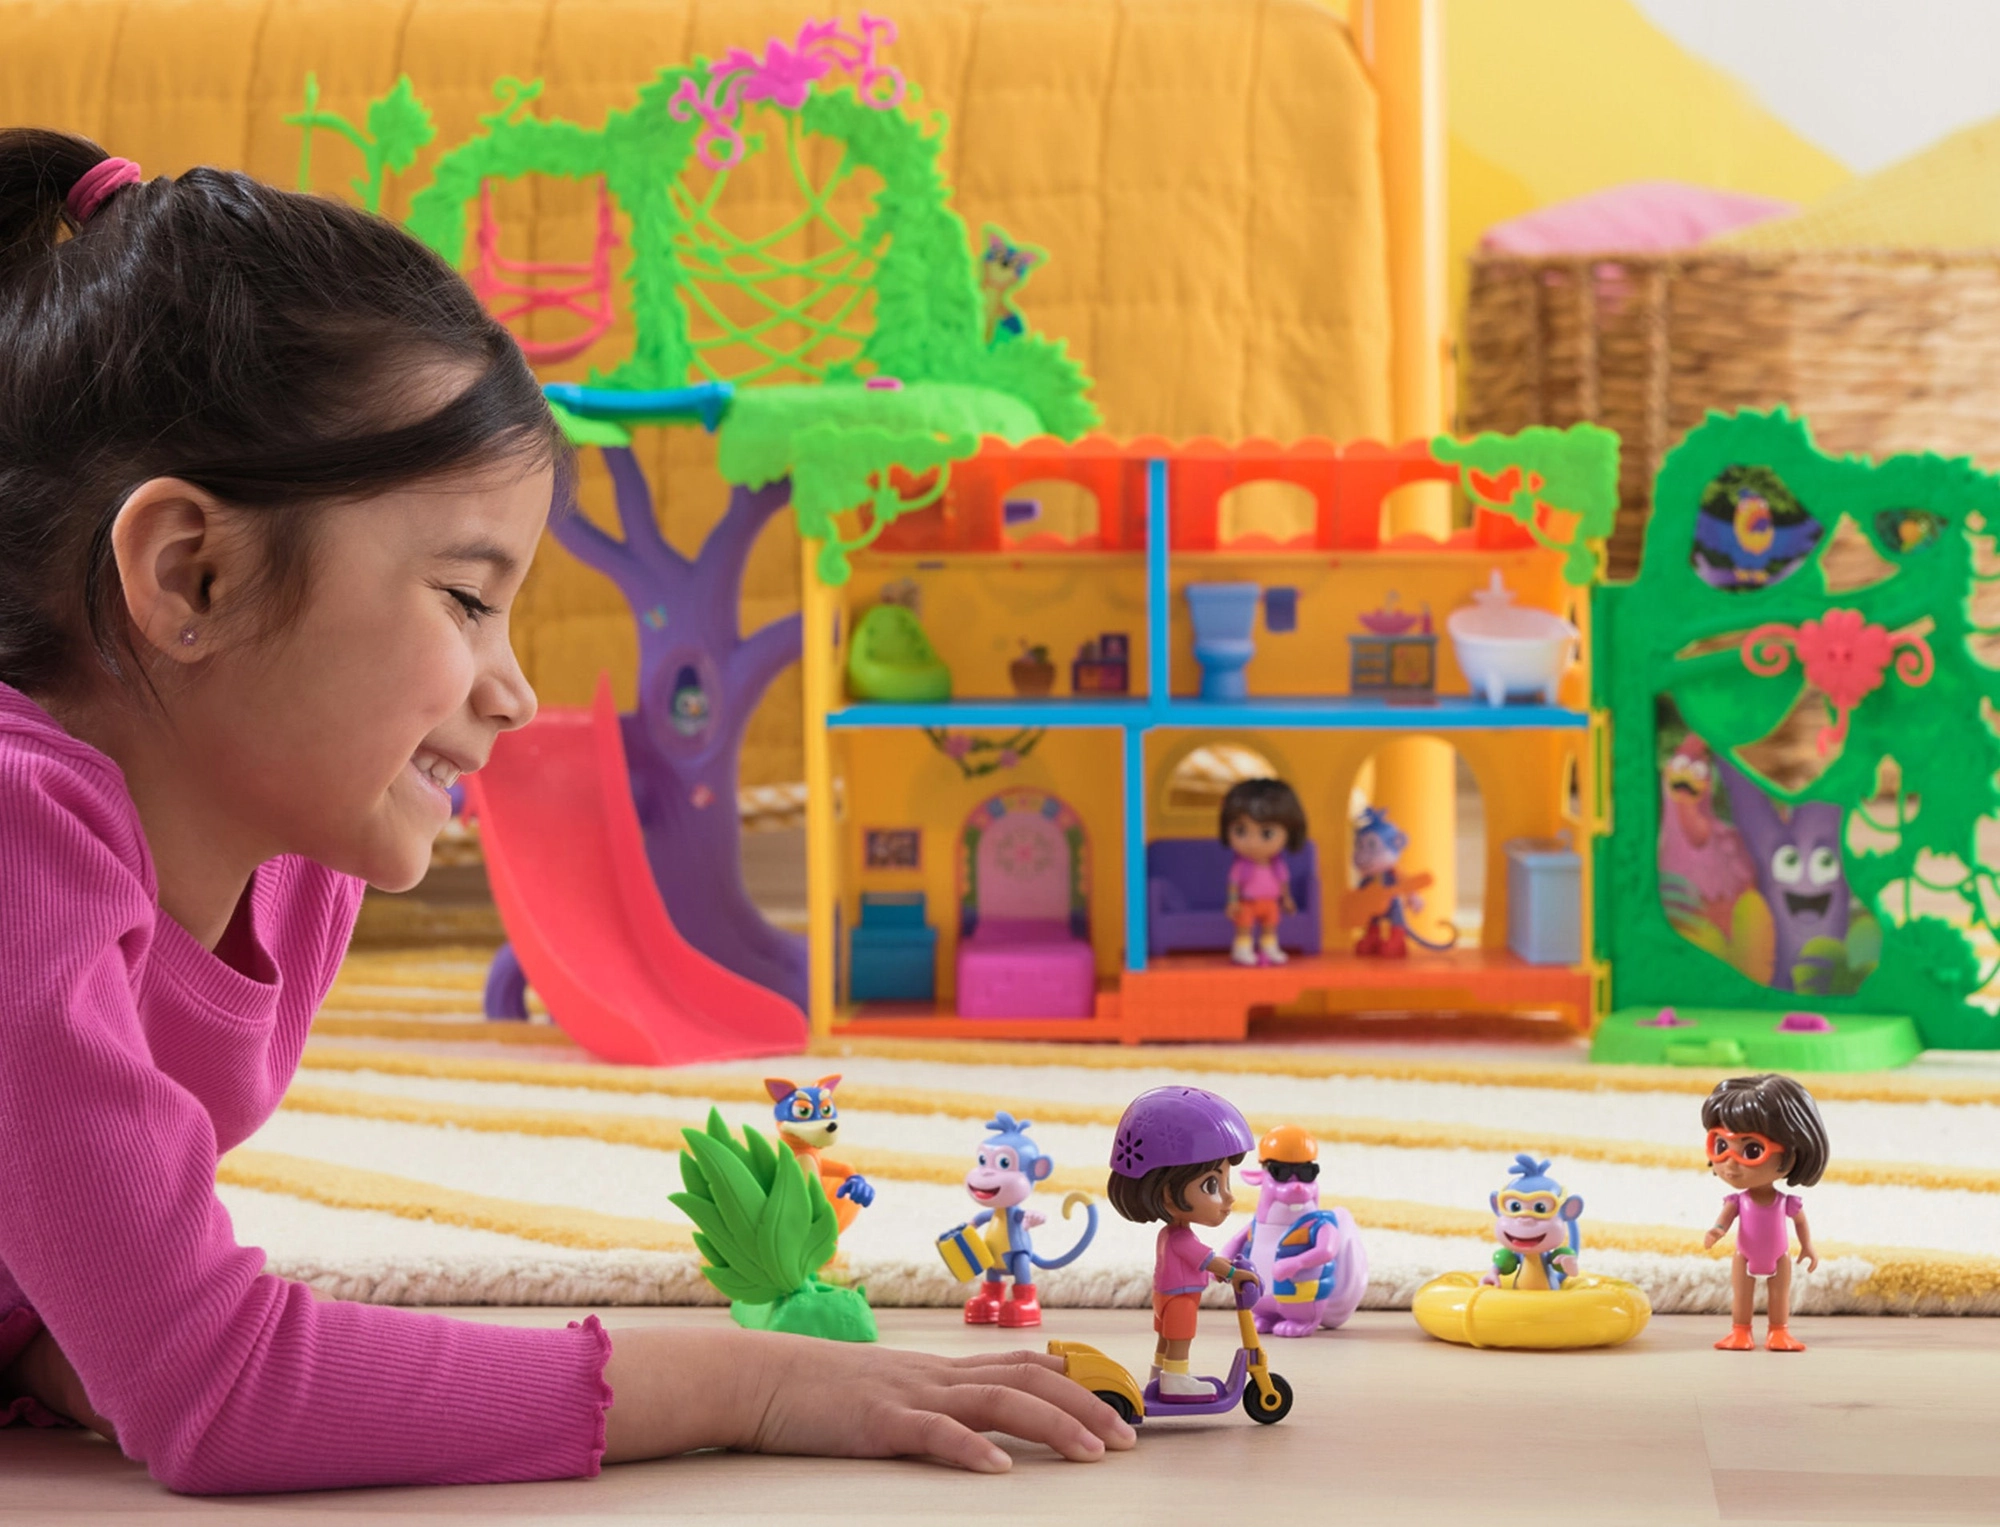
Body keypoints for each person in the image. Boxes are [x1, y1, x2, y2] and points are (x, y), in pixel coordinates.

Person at [0, 129, 1131, 1495]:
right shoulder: (17, 840)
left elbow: (112, 1289)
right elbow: (223, 1389)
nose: (516, 690)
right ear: (194, 576)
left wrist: (76, 1340)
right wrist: (756, 1382)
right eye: (466, 598)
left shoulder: (303, 850)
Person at [1105, 1086, 1258, 1399]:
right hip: (1180, 1300)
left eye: (1226, 1182)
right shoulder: (1181, 1239)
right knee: (1180, 1339)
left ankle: (1160, 1374)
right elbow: (1207, 1260)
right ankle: (1175, 1379)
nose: (1229, 1197)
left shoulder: (1170, 1235)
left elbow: (1202, 1261)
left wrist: (1225, 1268)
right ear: (1166, 1194)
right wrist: (1233, 1273)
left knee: (1166, 1338)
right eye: (1212, 1185)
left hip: (1166, 1297)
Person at [1699, 1073, 1827, 1352]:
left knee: (1779, 1294)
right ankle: (1740, 1331)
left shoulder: (1785, 1202)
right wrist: (1716, 1232)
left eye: (1752, 1150)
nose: (1730, 1164)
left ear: (1793, 1152)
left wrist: (1807, 1247)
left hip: (1779, 1256)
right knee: (1742, 1294)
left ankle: (1779, 1331)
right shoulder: (1737, 1201)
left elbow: (1800, 1222)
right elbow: (1724, 1220)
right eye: (1721, 1145)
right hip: (1743, 1255)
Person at [1219, 777, 1306, 966]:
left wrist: (1287, 899)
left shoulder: (1277, 865)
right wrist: (1232, 902)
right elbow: (1233, 884)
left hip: (1270, 903)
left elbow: (1283, 883)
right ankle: (1242, 949)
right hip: (1247, 903)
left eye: (1266, 833)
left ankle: (1269, 948)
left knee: (1270, 926)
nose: (1252, 842)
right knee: (1244, 926)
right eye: (1241, 831)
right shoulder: (1241, 866)